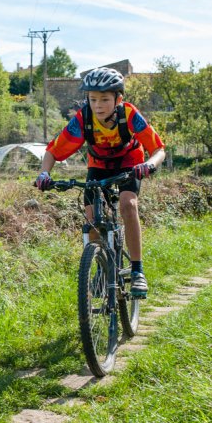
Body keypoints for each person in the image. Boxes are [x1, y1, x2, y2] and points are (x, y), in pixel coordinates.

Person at [35, 67, 165, 299]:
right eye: (93, 99)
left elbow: (158, 149)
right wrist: (44, 174)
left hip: (130, 163)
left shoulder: (129, 114)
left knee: (128, 204)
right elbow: (52, 152)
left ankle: (137, 271)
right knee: (92, 217)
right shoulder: (83, 118)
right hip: (99, 166)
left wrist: (150, 165)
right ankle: (101, 266)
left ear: (118, 99)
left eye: (105, 99)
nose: (98, 105)